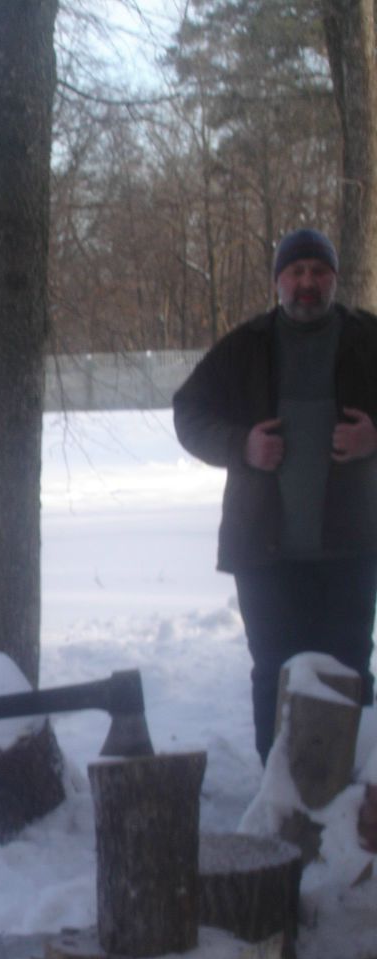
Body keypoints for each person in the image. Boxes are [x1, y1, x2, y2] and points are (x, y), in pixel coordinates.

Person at [173, 228, 377, 763]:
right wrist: (241, 444)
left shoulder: (367, 339)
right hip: (263, 550)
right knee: (273, 670)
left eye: (318, 272)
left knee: (349, 668)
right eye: (296, 272)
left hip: (351, 548)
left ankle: (351, 795)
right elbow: (187, 413)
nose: (307, 283)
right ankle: (277, 790)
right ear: (278, 281)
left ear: (334, 278)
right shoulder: (246, 347)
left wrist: (373, 438)